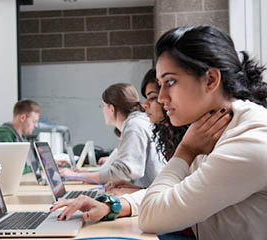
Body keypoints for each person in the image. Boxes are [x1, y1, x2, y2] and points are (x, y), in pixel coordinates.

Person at [50, 25, 267, 240]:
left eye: (170, 82)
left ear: (210, 79)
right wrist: (114, 205)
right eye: (161, 84)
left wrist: (186, 150)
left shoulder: (251, 139)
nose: (161, 98)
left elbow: (152, 215)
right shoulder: (212, 126)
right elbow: (180, 192)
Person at [59, 83, 164, 189]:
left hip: (148, 198)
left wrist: (77, 176)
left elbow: (123, 172)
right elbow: (120, 166)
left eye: (103, 106)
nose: (103, 110)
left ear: (111, 108)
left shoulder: (134, 126)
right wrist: (85, 173)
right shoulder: (138, 121)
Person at [105, 69, 189, 197]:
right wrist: (140, 190)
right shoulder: (168, 134)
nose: (144, 105)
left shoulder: (189, 138)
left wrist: (139, 193)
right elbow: (173, 191)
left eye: (153, 98)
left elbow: (181, 196)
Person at [0, 99, 40, 174]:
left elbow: (30, 166)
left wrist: (46, 166)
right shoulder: (2, 136)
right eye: (34, 121)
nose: (36, 125)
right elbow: (7, 170)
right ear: (22, 118)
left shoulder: (21, 138)